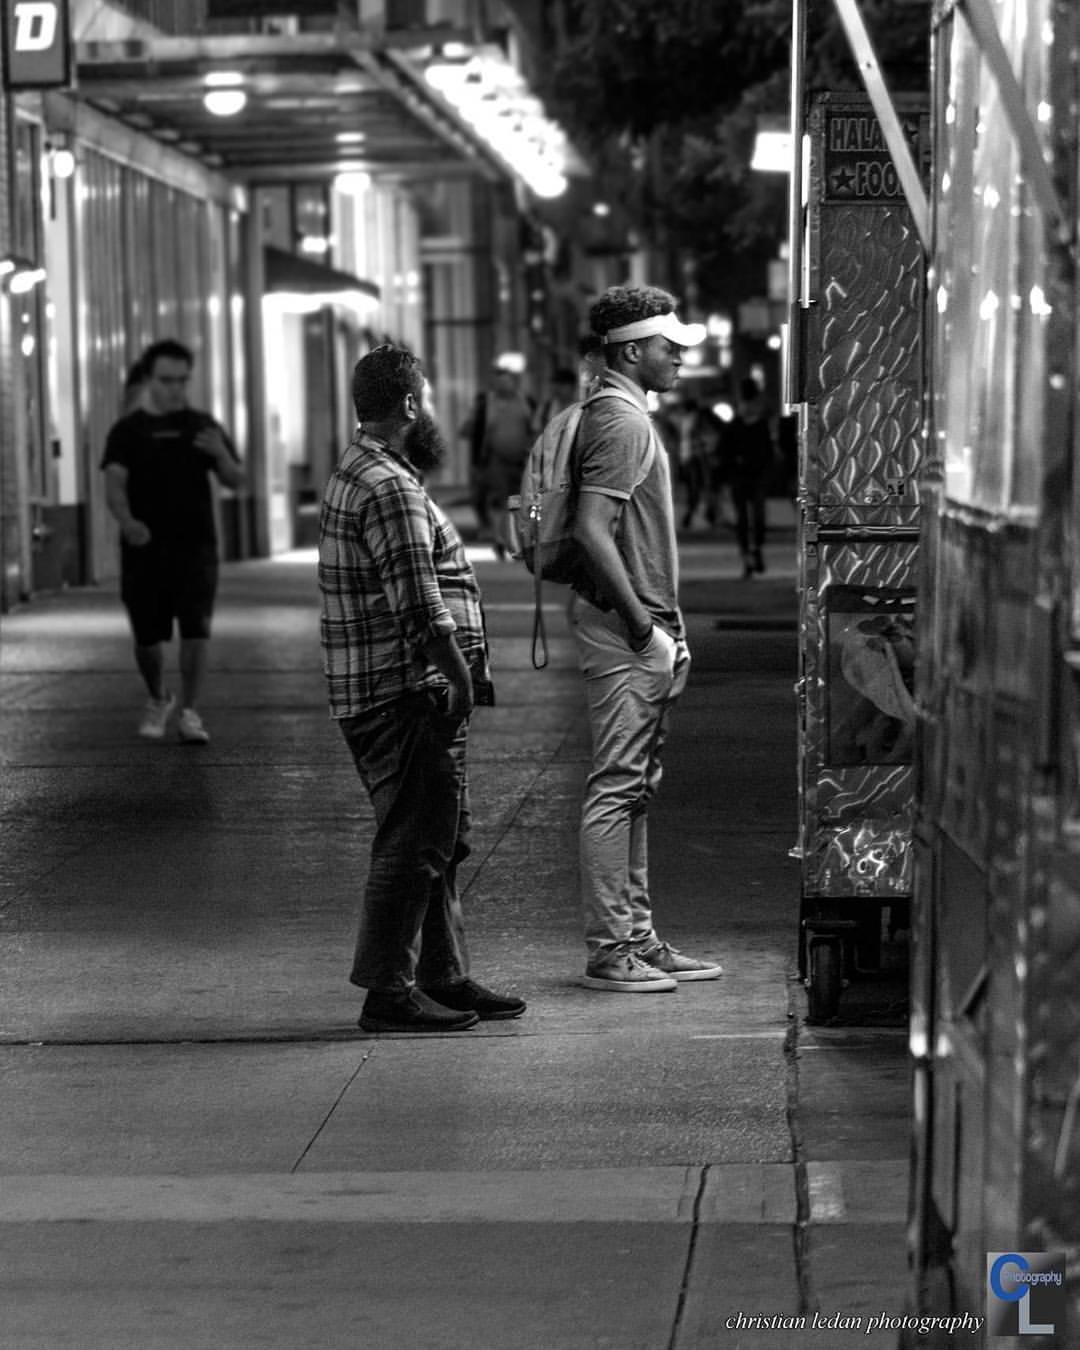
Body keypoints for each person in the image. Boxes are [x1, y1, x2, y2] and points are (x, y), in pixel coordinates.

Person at [318, 343, 526, 1034]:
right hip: (404, 691)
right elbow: (418, 608)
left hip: (393, 689)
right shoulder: (390, 487)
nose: (430, 409)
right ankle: (387, 991)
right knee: (414, 844)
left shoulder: (365, 472)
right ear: (409, 405)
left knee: (440, 839)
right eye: (426, 399)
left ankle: (443, 974)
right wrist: (462, 681)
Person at [567, 285, 725, 992]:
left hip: (642, 625)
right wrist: (641, 627)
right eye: (670, 347)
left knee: (634, 787)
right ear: (633, 350)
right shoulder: (622, 422)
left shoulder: (619, 411)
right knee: (616, 786)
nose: (681, 358)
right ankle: (611, 950)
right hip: (626, 630)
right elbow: (590, 530)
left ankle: (636, 937)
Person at [101, 338, 243, 744]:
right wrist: (127, 521)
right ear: (149, 380)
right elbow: (114, 484)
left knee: (196, 630)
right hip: (144, 550)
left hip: (196, 548)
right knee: (147, 640)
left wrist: (221, 454)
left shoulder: (202, 426)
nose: (175, 388)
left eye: (182, 380)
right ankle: (157, 695)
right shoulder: (127, 432)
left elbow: (236, 480)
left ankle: (190, 712)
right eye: (166, 380)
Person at [459, 363, 536, 559]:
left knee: (521, 502)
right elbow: (473, 432)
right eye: (498, 383)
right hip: (495, 461)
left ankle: (519, 541)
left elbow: (534, 429)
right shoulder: (487, 404)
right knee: (499, 502)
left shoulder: (526, 402)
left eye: (506, 382)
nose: (502, 387)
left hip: (522, 461)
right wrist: (477, 463)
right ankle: (500, 541)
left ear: (514, 383)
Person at [722, 377, 776, 578]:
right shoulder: (739, 425)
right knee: (747, 519)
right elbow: (724, 451)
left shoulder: (748, 424)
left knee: (754, 518)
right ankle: (750, 555)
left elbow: (768, 451)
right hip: (743, 477)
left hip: (752, 476)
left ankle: (752, 552)